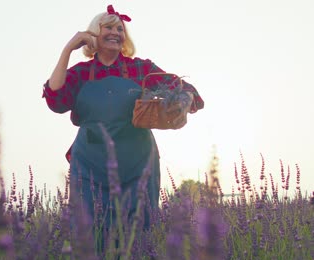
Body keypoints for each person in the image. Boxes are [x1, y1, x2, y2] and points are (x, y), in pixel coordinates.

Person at [42, 5, 204, 229]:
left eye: (120, 29)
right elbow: (55, 100)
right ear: (93, 34)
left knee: (138, 233)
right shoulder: (80, 73)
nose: (116, 33)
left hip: (138, 163)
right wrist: (67, 50)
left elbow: (186, 89)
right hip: (90, 163)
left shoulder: (141, 68)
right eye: (108, 27)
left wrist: (183, 101)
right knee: (89, 233)